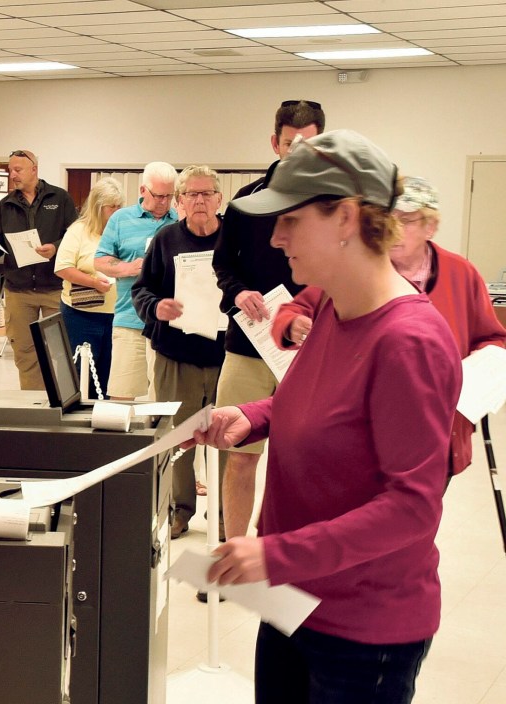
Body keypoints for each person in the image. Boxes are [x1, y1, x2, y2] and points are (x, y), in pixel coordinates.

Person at [189, 130, 462, 704]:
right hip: (293, 601)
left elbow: (412, 505)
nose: (277, 235)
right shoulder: (336, 306)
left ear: (346, 217)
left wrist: (272, 552)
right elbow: (316, 405)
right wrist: (255, 416)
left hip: (361, 632)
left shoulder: (408, 341)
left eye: (290, 218)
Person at [272, 175, 506, 480]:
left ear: (430, 226)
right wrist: (291, 324)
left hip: (441, 421)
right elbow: (296, 308)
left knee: (417, 503)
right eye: (389, 218)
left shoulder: (461, 273)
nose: (395, 228)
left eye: (407, 220)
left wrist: (474, 370)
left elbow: (494, 337)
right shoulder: (365, 268)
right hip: (365, 426)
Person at [212, 99, 325, 539]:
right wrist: (239, 292)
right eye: (291, 144)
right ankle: (234, 551)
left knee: (303, 462)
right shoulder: (247, 202)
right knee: (241, 453)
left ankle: (283, 553)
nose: (299, 153)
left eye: (311, 145)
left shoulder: (332, 203)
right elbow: (224, 265)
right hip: (250, 344)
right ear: (275, 144)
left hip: (313, 350)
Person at [132, 166, 226, 539]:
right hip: (176, 355)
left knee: (227, 440)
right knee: (178, 438)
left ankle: (221, 515)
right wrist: (156, 307)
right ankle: (179, 510)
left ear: (220, 199)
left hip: (227, 356)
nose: (200, 200)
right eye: (192, 194)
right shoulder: (166, 239)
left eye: (207, 194)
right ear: (181, 201)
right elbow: (141, 290)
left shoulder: (236, 240)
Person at [0, 149, 78, 390]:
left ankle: (64, 399)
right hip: (19, 290)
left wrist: (55, 248)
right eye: (10, 170)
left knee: (62, 349)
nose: (13, 175)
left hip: (56, 287)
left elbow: (75, 237)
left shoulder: (60, 198)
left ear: (34, 169)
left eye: (18, 170)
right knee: (25, 351)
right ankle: (33, 402)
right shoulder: (5, 205)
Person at [95, 162, 178, 400]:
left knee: (162, 402)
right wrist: (129, 268)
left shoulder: (180, 222)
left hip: (168, 326)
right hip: (129, 319)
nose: (164, 201)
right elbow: (100, 261)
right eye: (158, 195)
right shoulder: (120, 219)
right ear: (143, 190)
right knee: (121, 397)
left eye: (169, 196)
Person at [53, 177, 124, 397]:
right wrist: (93, 282)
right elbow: (62, 267)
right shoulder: (78, 230)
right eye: (112, 207)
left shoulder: (121, 230)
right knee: (82, 376)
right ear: (98, 207)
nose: (117, 211)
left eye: (119, 206)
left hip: (116, 315)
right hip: (81, 316)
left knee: (110, 375)